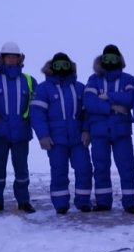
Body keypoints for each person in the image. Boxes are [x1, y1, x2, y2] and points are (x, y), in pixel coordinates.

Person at [30, 52, 93, 214]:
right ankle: (61, 204)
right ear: (52, 68)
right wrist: (43, 135)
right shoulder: (43, 89)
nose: (62, 69)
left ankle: (83, 201)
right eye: (58, 66)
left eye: (65, 65)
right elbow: (37, 113)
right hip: (55, 140)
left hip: (78, 138)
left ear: (70, 67)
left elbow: (88, 112)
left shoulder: (79, 87)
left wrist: (86, 130)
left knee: (84, 168)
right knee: (59, 171)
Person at [84, 44, 134, 214]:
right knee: (100, 167)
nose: (110, 62)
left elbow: (130, 99)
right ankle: (103, 202)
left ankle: (130, 203)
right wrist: (113, 107)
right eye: (106, 59)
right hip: (99, 132)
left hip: (121, 131)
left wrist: (108, 96)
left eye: (113, 59)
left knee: (127, 167)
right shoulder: (94, 80)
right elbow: (89, 102)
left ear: (119, 60)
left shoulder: (128, 79)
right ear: (101, 60)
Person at [0, 41, 37, 214]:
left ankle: (23, 201)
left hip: (21, 133)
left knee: (21, 170)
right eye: (8, 57)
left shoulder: (28, 80)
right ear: (2, 58)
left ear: (19, 59)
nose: (11, 60)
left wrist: (27, 118)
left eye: (14, 57)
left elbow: (35, 104)